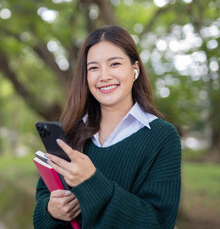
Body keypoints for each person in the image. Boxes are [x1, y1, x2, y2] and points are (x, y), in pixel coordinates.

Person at [33, 26, 181, 229]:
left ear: (134, 69)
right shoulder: (69, 134)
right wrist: (51, 211)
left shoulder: (161, 137)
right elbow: (42, 205)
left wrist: (91, 181)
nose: (104, 76)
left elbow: (158, 223)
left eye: (115, 64)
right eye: (93, 68)